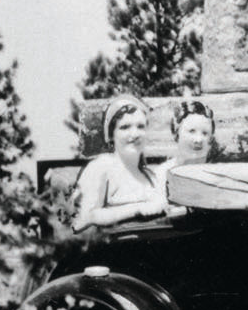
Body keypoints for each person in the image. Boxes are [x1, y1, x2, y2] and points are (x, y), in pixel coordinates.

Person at [72, 94, 174, 231]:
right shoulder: (101, 167)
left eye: (140, 127)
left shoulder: (150, 176)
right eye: (125, 127)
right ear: (111, 134)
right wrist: (137, 209)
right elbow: (81, 220)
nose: (135, 133)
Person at [152, 98, 216, 191]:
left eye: (205, 133)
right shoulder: (162, 174)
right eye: (191, 131)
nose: (198, 140)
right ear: (176, 133)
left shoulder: (216, 176)